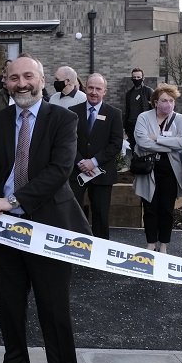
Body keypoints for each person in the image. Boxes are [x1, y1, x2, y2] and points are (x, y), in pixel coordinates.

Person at [0, 55, 90, 363]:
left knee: (53, 309)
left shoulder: (64, 120)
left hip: (48, 228)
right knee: (9, 304)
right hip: (5, 230)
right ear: (5, 82)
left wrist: (12, 201)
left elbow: (59, 172)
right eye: (13, 78)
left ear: (42, 79)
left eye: (28, 76)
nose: (21, 83)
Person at [132, 84, 182, 254]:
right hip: (148, 169)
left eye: (171, 101)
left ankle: (164, 244)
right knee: (149, 208)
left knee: (166, 210)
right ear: (155, 102)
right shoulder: (144, 117)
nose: (168, 104)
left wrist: (157, 139)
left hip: (171, 172)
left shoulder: (180, 120)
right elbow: (142, 142)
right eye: (164, 100)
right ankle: (150, 243)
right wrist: (171, 145)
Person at [69, 73, 124, 240]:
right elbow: (68, 141)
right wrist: (81, 161)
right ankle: (74, 247)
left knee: (100, 215)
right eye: (91, 88)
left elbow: (116, 144)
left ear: (104, 91)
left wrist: (93, 162)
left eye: (98, 89)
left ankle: (100, 252)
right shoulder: (73, 112)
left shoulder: (114, 114)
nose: (94, 92)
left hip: (102, 172)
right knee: (73, 212)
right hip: (77, 172)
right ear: (85, 89)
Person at [123, 68, 153, 150]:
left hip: (144, 125)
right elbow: (127, 110)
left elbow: (154, 108)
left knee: (143, 148)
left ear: (143, 78)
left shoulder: (148, 91)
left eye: (138, 77)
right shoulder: (129, 93)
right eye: (134, 77)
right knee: (133, 148)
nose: (136, 79)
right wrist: (125, 126)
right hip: (131, 125)